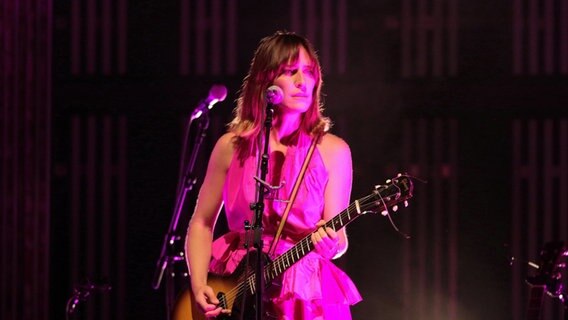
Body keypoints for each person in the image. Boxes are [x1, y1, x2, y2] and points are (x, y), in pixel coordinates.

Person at [184, 31, 361, 319]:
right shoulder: (230, 147)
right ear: (265, 81)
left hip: (304, 294)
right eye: (291, 72)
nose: (303, 83)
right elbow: (202, 222)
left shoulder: (334, 151)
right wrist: (199, 282)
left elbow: (338, 240)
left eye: (309, 72)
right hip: (237, 286)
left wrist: (333, 243)